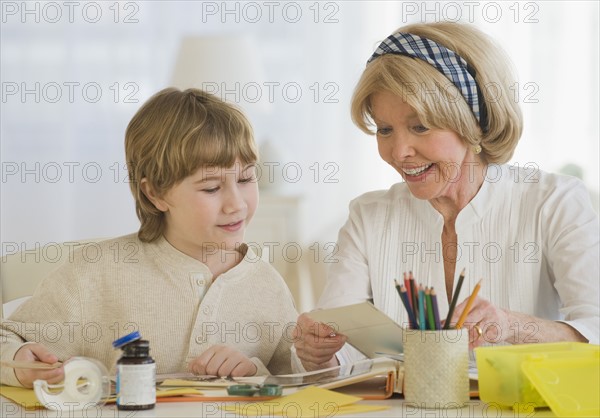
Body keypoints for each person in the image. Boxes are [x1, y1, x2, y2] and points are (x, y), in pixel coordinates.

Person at [292, 21, 599, 372]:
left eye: (420, 126)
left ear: (473, 123)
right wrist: (320, 351)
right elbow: (340, 352)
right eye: (385, 130)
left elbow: (595, 331)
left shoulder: (554, 202)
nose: (399, 151)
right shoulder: (368, 216)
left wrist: (511, 326)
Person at [0, 88, 298, 388]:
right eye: (211, 188)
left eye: (246, 179)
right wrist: (20, 361)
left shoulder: (268, 285)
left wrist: (254, 372)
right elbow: (7, 342)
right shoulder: (94, 274)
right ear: (154, 192)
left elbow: (297, 380)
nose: (237, 204)